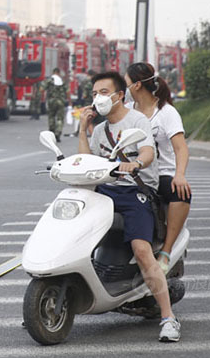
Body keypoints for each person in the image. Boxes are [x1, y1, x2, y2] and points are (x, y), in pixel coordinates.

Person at [78, 71, 180, 342]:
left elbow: (148, 151)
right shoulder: (99, 130)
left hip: (135, 192)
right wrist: (82, 129)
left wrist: (136, 163)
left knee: (141, 249)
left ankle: (168, 318)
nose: (97, 98)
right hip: (105, 192)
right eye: (94, 93)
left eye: (102, 92)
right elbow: (86, 162)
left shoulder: (138, 120)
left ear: (119, 95)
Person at [126, 62, 191, 275]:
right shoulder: (126, 111)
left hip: (161, 173)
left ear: (136, 85)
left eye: (126, 83)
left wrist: (179, 175)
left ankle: (166, 251)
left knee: (179, 192)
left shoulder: (166, 113)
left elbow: (181, 148)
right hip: (131, 172)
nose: (124, 88)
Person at [45, 67, 69, 142]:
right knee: (60, 118)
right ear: (58, 73)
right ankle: (58, 134)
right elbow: (68, 92)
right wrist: (70, 102)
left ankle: (52, 132)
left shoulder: (49, 80)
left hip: (51, 101)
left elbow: (41, 89)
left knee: (51, 116)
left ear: (53, 72)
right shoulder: (62, 81)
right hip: (61, 101)